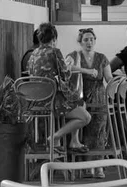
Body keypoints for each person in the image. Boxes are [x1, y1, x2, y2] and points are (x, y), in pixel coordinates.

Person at [26, 22, 90, 154]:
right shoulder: (55, 52)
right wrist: (68, 66)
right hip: (52, 101)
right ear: (54, 38)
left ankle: (68, 141)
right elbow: (65, 76)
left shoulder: (33, 54)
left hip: (35, 102)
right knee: (85, 117)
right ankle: (55, 137)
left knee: (79, 103)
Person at [75, 28, 112, 178]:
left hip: (99, 97)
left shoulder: (102, 58)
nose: (89, 42)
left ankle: (99, 167)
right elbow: (67, 70)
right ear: (80, 42)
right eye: (86, 39)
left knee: (99, 130)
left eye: (91, 39)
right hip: (81, 97)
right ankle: (87, 166)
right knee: (85, 131)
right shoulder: (76, 56)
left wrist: (119, 81)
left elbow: (109, 78)